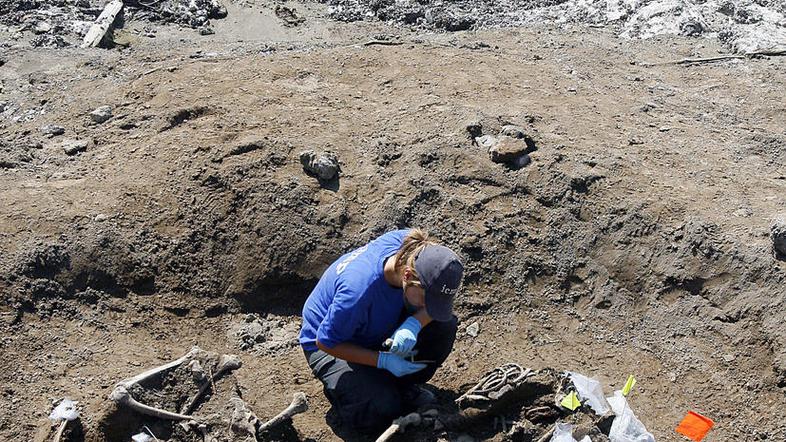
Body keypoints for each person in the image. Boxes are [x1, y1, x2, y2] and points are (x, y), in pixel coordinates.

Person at [299, 228, 464, 432]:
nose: (428, 307)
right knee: (380, 409)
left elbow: (433, 307)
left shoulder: (413, 248)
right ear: (407, 275)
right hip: (332, 342)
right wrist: (382, 360)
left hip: (372, 321)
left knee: (443, 327)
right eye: (426, 299)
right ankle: (351, 392)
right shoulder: (356, 292)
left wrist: (413, 324)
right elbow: (325, 342)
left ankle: (402, 385)